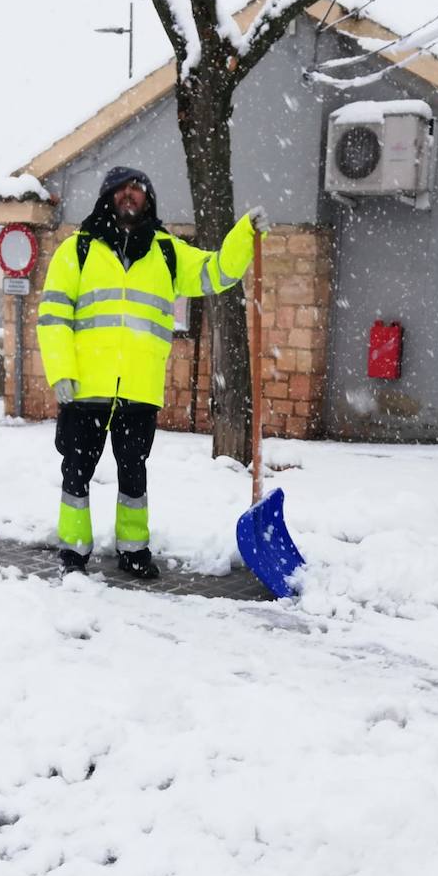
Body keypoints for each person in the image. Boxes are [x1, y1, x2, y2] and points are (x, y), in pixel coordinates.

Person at [37, 165, 269, 578]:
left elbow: (216, 272)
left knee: (133, 474)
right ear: (107, 196)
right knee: (76, 471)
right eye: (122, 189)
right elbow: (53, 317)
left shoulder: (167, 252)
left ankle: (133, 550)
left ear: (148, 199)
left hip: (139, 388)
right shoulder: (77, 250)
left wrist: (244, 236)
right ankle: (73, 550)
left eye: (137, 189)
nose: (130, 195)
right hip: (84, 387)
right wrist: (61, 372)